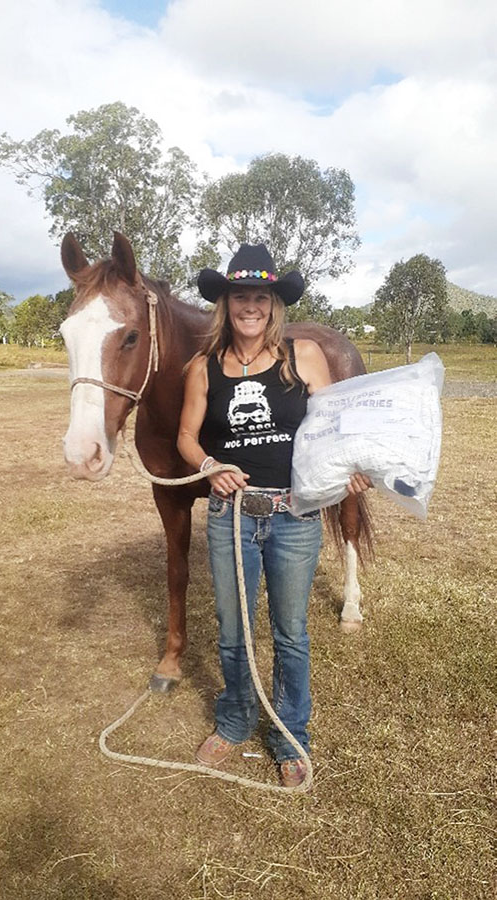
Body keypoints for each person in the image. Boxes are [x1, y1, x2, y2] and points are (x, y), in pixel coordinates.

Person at [177, 243, 371, 788]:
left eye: (260, 296)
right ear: (226, 303)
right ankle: (235, 722)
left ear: (273, 303)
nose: (251, 306)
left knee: (290, 633)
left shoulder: (303, 355)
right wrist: (211, 465)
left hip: (295, 516)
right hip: (230, 514)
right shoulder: (202, 368)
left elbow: (334, 426)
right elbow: (187, 439)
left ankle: (290, 738)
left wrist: (350, 468)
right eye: (241, 296)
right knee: (233, 629)